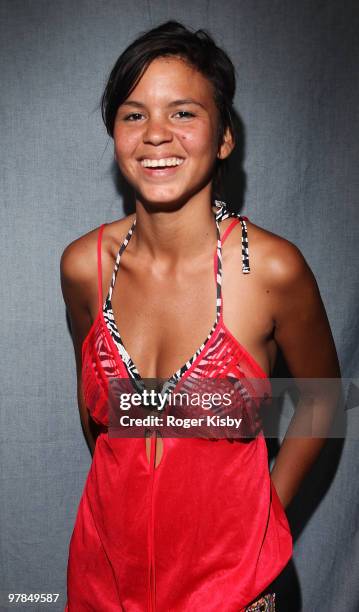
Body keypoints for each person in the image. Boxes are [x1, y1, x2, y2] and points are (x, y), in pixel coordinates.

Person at [60, 20, 340, 612]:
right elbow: (100, 416)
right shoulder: (85, 267)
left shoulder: (270, 270)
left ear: (224, 138)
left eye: (183, 113)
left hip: (230, 593)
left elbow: (324, 398)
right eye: (133, 115)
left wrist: (262, 515)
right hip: (102, 584)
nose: (156, 135)